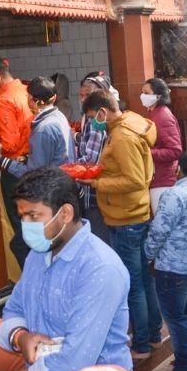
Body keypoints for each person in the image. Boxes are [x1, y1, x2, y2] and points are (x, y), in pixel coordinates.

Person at [0, 168, 131, 371]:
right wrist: (20, 336)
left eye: (33, 216)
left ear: (65, 214)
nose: (26, 226)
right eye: (22, 217)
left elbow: (73, 365)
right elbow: (13, 310)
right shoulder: (38, 255)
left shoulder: (99, 269)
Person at [80, 90, 162, 361]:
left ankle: (141, 343)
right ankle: (152, 334)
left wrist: (96, 183)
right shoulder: (127, 125)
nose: (93, 123)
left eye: (93, 117)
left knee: (133, 283)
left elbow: (135, 179)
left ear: (103, 111)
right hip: (132, 212)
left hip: (127, 217)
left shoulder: (124, 135)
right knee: (144, 280)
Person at [144, 151, 187, 371]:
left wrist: (148, 255)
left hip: (173, 266)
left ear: (179, 168)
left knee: (175, 316)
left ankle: (183, 366)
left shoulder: (174, 195)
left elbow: (159, 230)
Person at [0, 54, 34, 269]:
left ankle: (31, 277)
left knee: (22, 228)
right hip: (30, 165)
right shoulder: (24, 90)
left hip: (14, 171)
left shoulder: (3, 101)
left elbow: (10, 144)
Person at [0, 76, 76, 183]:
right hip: (63, 182)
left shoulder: (43, 129)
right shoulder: (59, 116)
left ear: (31, 99)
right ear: (54, 98)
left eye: (27, 95)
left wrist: (1, 159)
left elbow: (34, 174)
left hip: (53, 188)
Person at [76, 72, 117, 243]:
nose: (84, 99)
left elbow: (90, 160)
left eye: (88, 95)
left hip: (96, 195)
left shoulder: (96, 121)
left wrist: (70, 168)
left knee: (100, 241)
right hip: (99, 193)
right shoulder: (92, 118)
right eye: (82, 95)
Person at [142, 78, 183, 213]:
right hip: (156, 178)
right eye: (142, 92)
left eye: (146, 93)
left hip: (163, 180)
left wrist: (147, 152)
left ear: (158, 96)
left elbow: (175, 150)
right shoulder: (154, 113)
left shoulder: (163, 116)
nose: (142, 96)